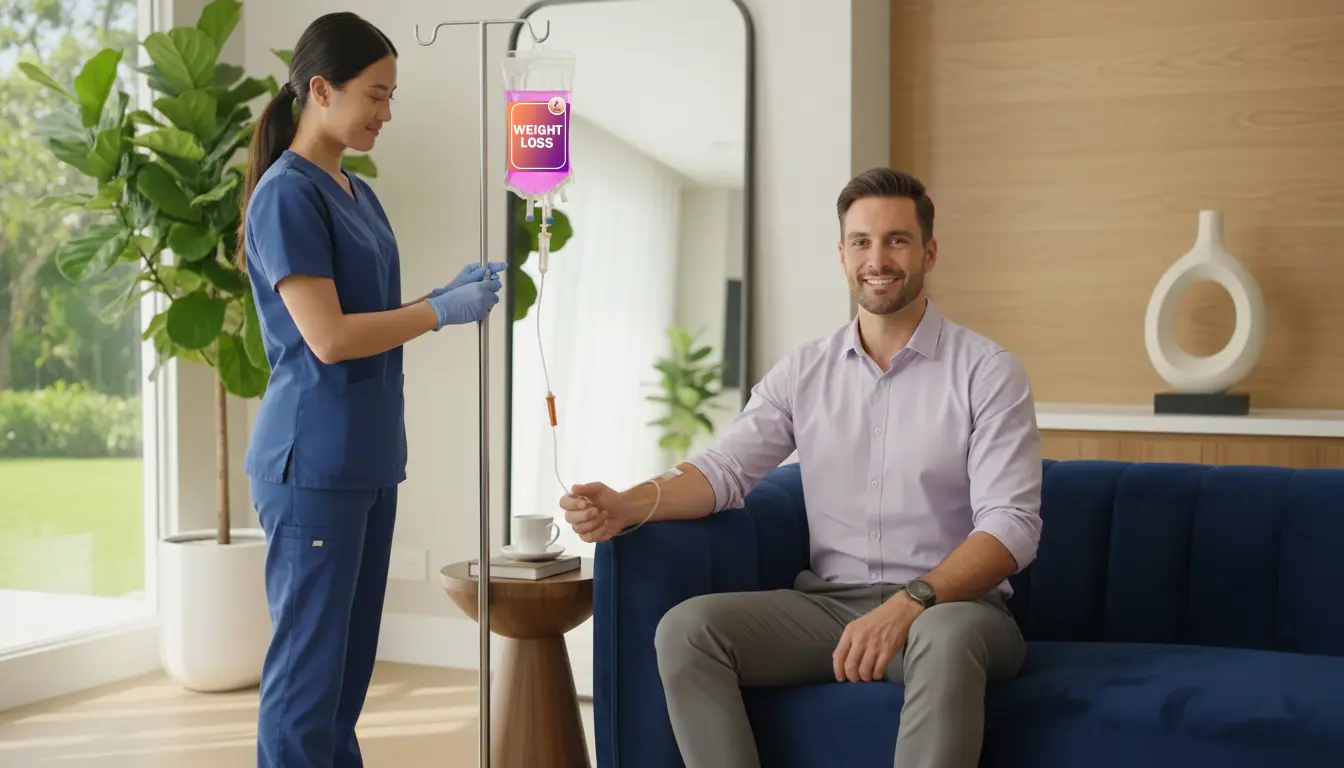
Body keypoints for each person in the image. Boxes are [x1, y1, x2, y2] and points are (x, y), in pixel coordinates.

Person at [559, 168, 1043, 767]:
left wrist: (912, 601)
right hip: (830, 609)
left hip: (956, 611)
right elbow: (725, 469)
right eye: (861, 242)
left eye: (897, 239)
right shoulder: (804, 371)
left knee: (944, 641)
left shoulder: (987, 371)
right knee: (688, 630)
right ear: (843, 256)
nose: (878, 258)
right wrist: (625, 504)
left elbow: (1011, 526)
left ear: (929, 251)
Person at [234, 13, 504, 768]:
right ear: (320, 89)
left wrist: (440, 296)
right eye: (375, 95)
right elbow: (328, 337)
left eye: (392, 96)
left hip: (368, 457)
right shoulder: (287, 195)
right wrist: (438, 312)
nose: (386, 112)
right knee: (307, 679)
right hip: (312, 463)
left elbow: (369, 312)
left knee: (346, 676)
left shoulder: (355, 191)